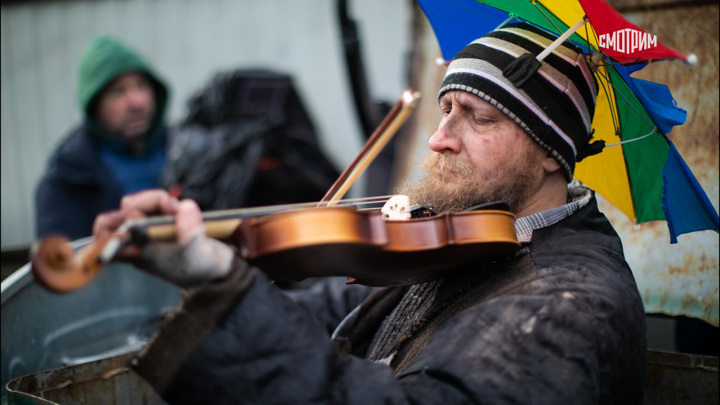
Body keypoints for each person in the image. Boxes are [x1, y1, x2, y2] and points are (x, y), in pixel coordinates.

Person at [94, 23, 647, 404]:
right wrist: (211, 268)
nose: (438, 138)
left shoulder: (569, 306)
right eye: (445, 109)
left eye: (477, 118)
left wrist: (228, 294)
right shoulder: (478, 240)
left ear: (552, 150)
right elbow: (353, 305)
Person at [35, 35, 169, 240]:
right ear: (95, 105)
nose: (136, 102)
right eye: (118, 92)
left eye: (142, 86)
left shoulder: (188, 149)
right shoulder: (67, 178)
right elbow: (63, 265)